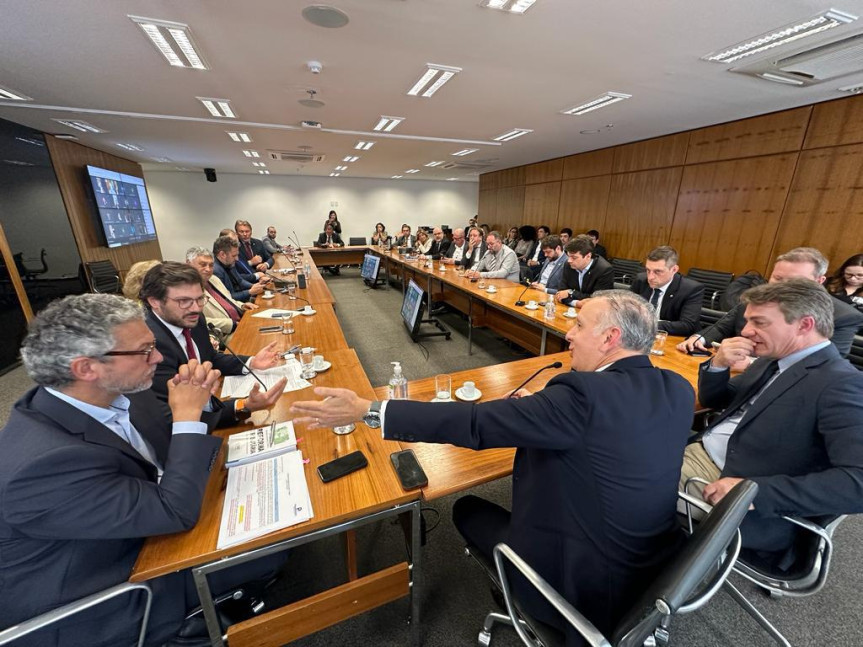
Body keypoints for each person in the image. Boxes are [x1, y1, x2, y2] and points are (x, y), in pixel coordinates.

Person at [290, 291, 695, 641]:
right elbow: (607, 437)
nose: (568, 334)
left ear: (610, 337)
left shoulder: (581, 395)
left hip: (579, 588)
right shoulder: (677, 387)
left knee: (466, 508)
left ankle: (517, 597)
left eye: (579, 325)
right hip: (656, 569)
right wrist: (538, 417)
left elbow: (473, 424)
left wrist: (371, 409)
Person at [0, 293, 222, 646]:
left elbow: (169, 449)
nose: (160, 357)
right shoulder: (42, 465)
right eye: (144, 350)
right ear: (87, 368)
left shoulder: (118, 390)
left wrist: (198, 402)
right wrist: (187, 416)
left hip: (143, 536)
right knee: (272, 550)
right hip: (102, 599)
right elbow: (174, 510)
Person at [680, 279, 863, 561]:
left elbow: (858, 482)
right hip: (699, 453)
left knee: (603, 476)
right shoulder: (773, 360)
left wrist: (754, 492)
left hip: (731, 488)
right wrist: (717, 365)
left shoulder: (841, 383)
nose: (745, 331)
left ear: (804, 325)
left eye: (759, 322)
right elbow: (717, 402)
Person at [140, 262, 285, 430]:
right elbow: (174, 417)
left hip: (209, 407)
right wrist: (242, 406)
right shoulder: (149, 346)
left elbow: (210, 357)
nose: (196, 308)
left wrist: (251, 362)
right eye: (184, 301)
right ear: (155, 302)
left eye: (200, 299)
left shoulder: (192, 317)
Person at [678, 248, 863, 360]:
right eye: (777, 278)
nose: (782, 286)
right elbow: (721, 327)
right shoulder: (757, 298)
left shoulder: (843, 316)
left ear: (819, 280)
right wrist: (698, 339)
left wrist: (754, 365)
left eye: (793, 280)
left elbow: (825, 364)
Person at [629, 246, 704, 337]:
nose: (650, 277)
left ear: (674, 270)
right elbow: (626, 311)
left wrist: (648, 324)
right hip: (640, 336)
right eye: (648, 270)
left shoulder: (691, 289)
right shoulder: (641, 280)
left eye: (658, 272)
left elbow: (687, 325)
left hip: (672, 339)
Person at [187, 246, 256, 341]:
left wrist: (242, 305)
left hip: (242, 320)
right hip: (224, 334)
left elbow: (228, 300)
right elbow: (197, 321)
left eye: (211, 265)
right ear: (188, 264)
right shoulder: (186, 290)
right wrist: (230, 324)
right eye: (203, 264)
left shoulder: (214, 279)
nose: (208, 269)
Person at [554, 235, 615, 307]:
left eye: (574, 257)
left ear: (588, 256)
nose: (569, 260)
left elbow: (598, 300)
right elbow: (560, 293)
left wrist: (571, 293)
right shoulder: (568, 265)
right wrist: (577, 303)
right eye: (568, 256)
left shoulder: (604, 270)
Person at [212, 235, 266, 302]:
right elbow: (226, 297)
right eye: (234, 255)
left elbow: (240, 281)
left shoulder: (229, 262)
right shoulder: (215, 271)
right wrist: (249, 292)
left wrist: (255, 286)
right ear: (222, 254)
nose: (237, 259)